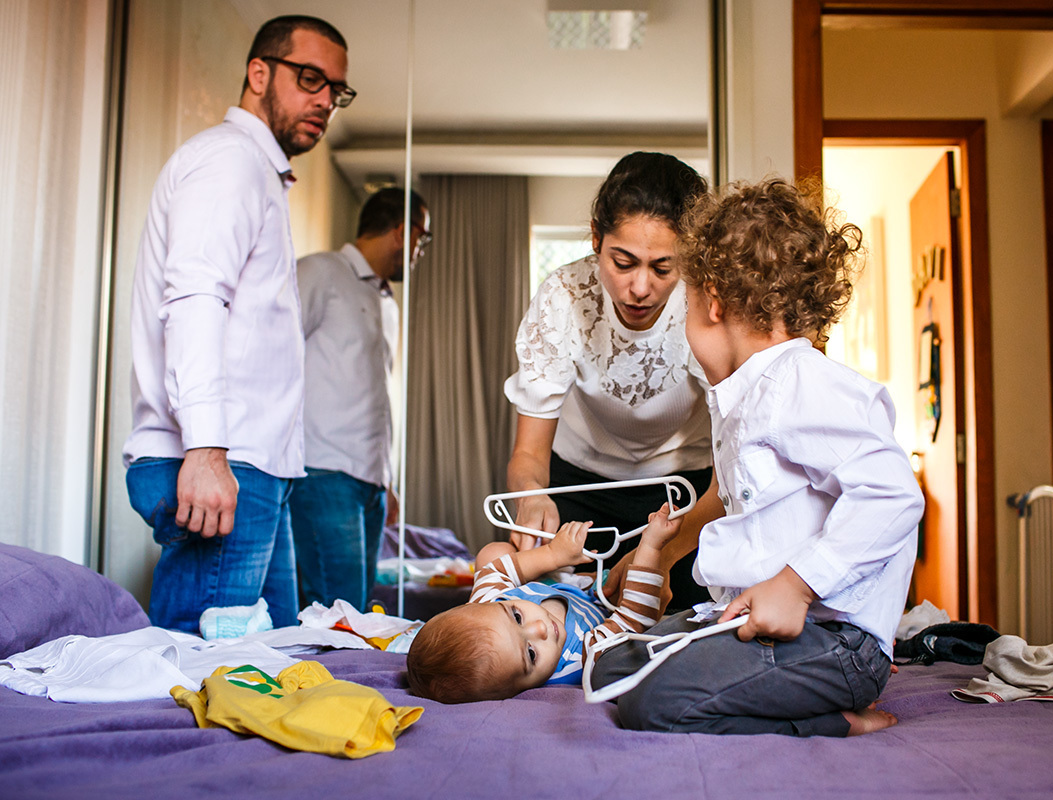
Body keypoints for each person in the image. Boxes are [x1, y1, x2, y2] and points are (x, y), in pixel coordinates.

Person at [592, 177, 925, 738]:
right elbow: (736, 504)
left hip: (833, 642)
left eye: (688, 308)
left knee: (651, 705)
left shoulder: (802, 386)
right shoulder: (747, 396)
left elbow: (895, 495)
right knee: (614, 667)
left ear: (714, 301)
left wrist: (796, 586)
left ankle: (836, 722)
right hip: (758, 626)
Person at [122, 15, 355, 633]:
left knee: (269, 668)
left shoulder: (258, 171)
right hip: (224, 460)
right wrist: (204, 448)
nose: (325, 100)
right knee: (202, 677)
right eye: (311, 79)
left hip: (252, 465)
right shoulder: (230, 160)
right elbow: (196, 299)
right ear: (259, 73)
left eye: (336, 89)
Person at [504, 151, 718, 612]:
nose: (641, 287)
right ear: (597, 239)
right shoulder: (563, 296)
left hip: (685, 499)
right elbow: (528, 455)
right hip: (579, 488)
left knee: (684, 634)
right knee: (563, 626)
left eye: (664, 268)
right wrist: (531, 498)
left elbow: (732, 473)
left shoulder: (708, 300)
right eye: (623, 262)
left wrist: (662, 556)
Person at [288, 188, 431, 612]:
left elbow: (374, 396)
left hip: (368, 480)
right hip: (323, 470)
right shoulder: (321, 272)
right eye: (421, 240)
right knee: (339, 610)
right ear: (402, 232)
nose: (419, 252)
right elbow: (272, 357)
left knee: (358, 608)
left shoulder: (385, 302)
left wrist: (387, 480)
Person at [405, 504, 680, 703]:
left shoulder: (489, 603)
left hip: (559, 585)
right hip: (605, 601)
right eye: (531, 654)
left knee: (492, 554)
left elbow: (492, 570)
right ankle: (581, 579)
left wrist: (552, 554)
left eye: (516, 617)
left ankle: (557, 574)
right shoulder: (579, 659)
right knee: (643, 608)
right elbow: (632, 619)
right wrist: (651, 548)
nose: (540, 628)